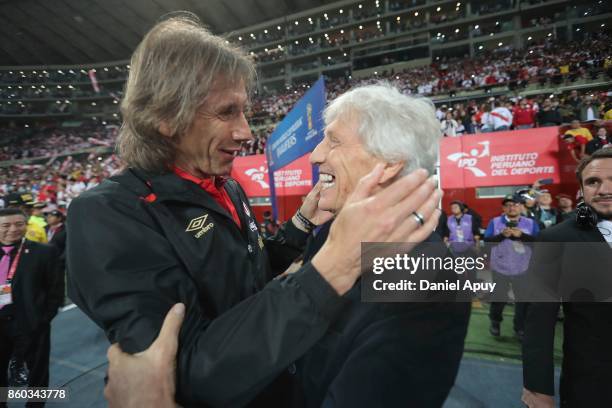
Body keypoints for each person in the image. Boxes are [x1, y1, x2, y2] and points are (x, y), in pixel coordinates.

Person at [68, 16, 441, 408]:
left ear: (389, 163)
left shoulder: (428, 265)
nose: (247, 132)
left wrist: (302, 229)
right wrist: (330, 265)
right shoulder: (107, 214)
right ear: (167, 116)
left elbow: (251, 273)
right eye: (227, 112)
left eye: (333, 141)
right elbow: (178, 374)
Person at [522, 147, 612, 408]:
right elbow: (539, 316)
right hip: (593, 383)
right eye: (594, 181)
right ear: (582, 190)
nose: (604, 189)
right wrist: (537, 387)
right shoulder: (558, 237)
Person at [0, 208, 64, 407]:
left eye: (19, 224)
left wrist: (43, 319)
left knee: (37, 372)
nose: (13, 229)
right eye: (6, 225)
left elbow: (55, 291)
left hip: (31, 322)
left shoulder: (44, 252)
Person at [484, 195, 539, 340]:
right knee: (499, 297)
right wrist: (501, 236)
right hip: (500, 267)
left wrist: (523, 235)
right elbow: (487, 242)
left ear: (521, 206)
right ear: (503, 208)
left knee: (523, 300)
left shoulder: (531, 223)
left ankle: (519, 328)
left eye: (515, 205)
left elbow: (540, 243)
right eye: (508, 205)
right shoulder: (495, 222)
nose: (512, 207)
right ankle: (495, 322)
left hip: (523, 268)